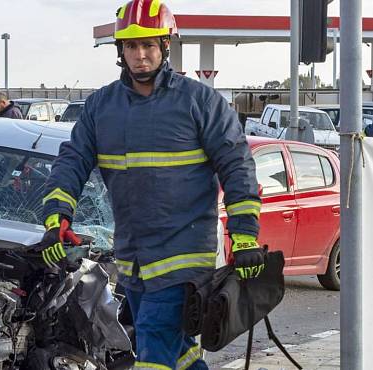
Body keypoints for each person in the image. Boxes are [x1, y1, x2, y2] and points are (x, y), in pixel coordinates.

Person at [37, 1, 264, 369]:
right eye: (131, 46)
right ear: (120, 51)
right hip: (133, 258)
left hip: (183, 256)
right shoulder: (100, 107)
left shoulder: (200, 102)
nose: (140, 55)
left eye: (148, 45)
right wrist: (56, 218)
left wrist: (244, 234)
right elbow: (71, 162)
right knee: (178, 351)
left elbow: (237, 166)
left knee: (153, 350)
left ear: (165, 47)